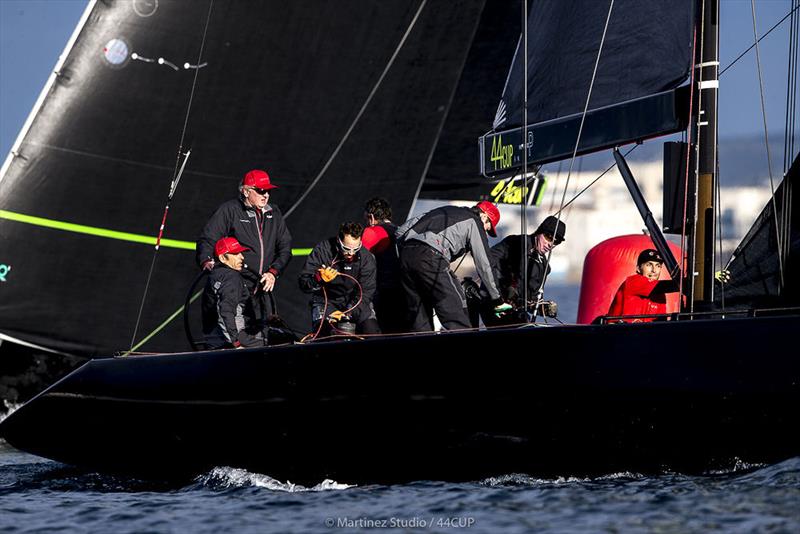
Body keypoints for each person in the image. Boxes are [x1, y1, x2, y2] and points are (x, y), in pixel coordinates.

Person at [196, 169, 292, 334]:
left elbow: (285, 247)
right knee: (237, 335)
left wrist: (273, 272)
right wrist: (207, 262)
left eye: (268, 190)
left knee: (267, 336)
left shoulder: (274, 212)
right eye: (261, 191)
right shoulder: (230, 210)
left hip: (262, 288)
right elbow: (208, 238)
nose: (266, 195)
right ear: (246, 191)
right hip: (237, 287)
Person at [396, 201, 504, 332]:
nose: (486, 230)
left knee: (419, 314)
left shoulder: (444, 209)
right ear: (484, 216)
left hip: (406, 256)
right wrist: (497, 298)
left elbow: (400, 232)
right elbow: (485, 263)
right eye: (488, 226)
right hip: (431, 257)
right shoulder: (474, 221)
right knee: (455, 305)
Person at [474, 215, 567, 325]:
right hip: (494, 304)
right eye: (549, 237)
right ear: (539, 232)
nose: (550, 244)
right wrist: (503, 287)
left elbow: (532, 302)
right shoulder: (514, 242)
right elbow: (486, 262)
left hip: (517, 314)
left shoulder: (544, 267)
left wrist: (544, 309)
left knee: (526, 323)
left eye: (556, 242)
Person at [299, 222, 380, 337]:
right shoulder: (323, 250)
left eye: (356, 249)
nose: (351, 254)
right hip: (327, 300)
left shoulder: (367, 258)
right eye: (346, 249)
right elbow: (303, 283)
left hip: (356, 300)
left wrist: (347, 313)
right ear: (339, 241)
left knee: (372, 332)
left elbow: (366, 292)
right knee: (324, 334)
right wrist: (318, 278)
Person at [201, 237, 265, 349]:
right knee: (273, 343)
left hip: (213, 339)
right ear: (222, 258)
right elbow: (224, 311)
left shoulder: (215, 274)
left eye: (241, 253)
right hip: (233, 337)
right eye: (235, 254)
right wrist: (236, 343)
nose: (242, 257)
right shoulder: (231, 277)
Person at [361, 197, 405, 333]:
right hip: (405, 291)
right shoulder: (401, 231)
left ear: (371, 217)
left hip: (384, 292)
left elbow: (358, 261)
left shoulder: (371, 232)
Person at [607, 248, 679, 323]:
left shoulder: (660, 293)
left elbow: (660, 323)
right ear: (638, 269)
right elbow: (664, 286)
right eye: (649, 265)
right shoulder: (633, 282)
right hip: (616, 332)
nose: (654, 270)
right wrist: (685, 284)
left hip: (642, 333)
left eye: (658, 266)